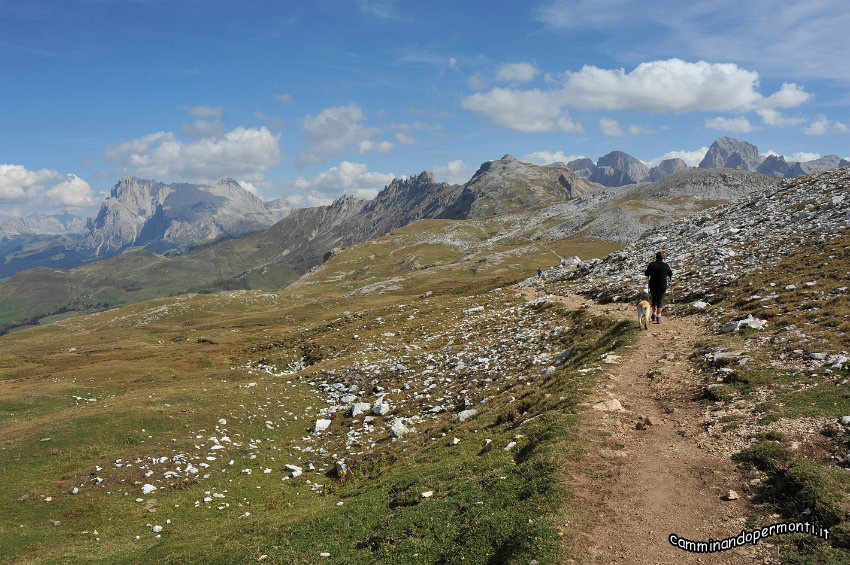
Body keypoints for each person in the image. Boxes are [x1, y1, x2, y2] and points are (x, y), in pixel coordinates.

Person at [644, 251, 673, 323]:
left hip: (653, 284)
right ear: (663, 258)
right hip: (662, 284)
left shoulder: (652, 264)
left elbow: (646, 273)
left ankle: (653, 314)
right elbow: (670, 274)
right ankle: (658, 317)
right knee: (660, 300)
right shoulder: (665, 265)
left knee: (654, 299)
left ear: (656, 257)